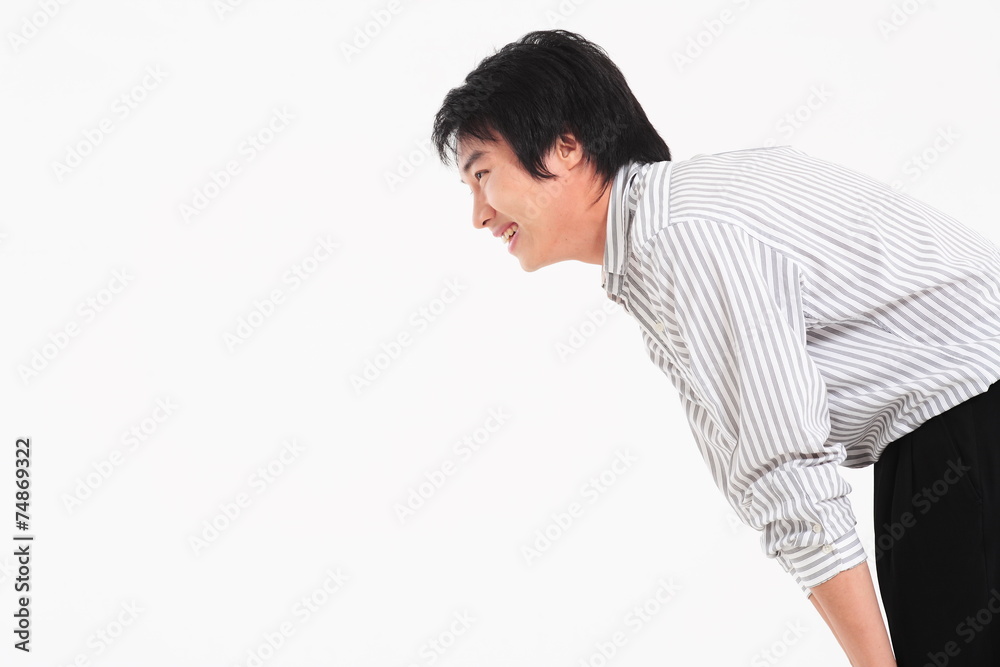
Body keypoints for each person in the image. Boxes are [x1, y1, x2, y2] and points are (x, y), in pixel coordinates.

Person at [431, 29, 1000, 666]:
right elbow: (759, 474)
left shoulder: (680, 238)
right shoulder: (672, 222)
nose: (479, 214)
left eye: (483, 175)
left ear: (565, 146)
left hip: (968, 425)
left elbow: (787, 474)